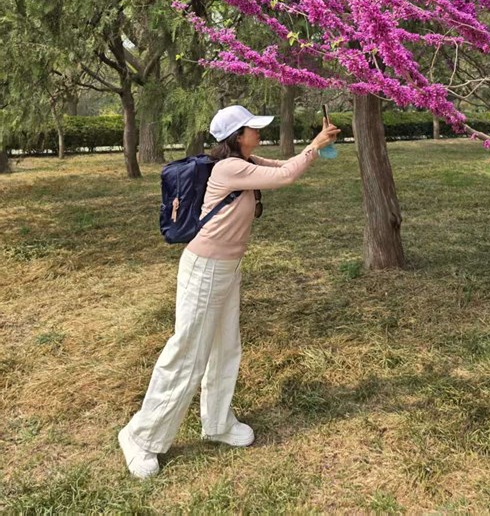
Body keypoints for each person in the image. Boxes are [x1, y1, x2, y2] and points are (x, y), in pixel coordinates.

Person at [118, 104, 340, 479]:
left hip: (226, 269)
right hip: (205, 270)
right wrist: (315, 145)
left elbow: (284, 166)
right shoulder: (230, 168)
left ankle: (217, 422)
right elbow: (287, 176)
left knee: (225, 347)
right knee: (188, 354)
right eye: (253, 128)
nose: (259, 133)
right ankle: (140, 436)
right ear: (237, 136)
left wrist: (314, 147)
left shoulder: (246, 160)